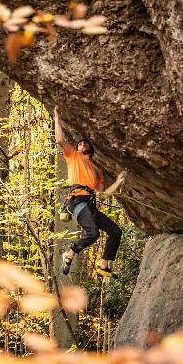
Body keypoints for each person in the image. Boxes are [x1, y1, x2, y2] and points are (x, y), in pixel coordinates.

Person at [54, 107, 126, 278]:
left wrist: (118, 181)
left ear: (91, 149)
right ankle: (70, 252)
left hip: (89, 204)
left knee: (116, 232)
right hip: (76, 201)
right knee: (93, 233)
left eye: (85, 143)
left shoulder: (97, 171)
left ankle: (103, 265)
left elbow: (102, 194)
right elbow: (60, 140)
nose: (82, 144)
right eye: (79, 144)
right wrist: (57, 118)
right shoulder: (74, 157)